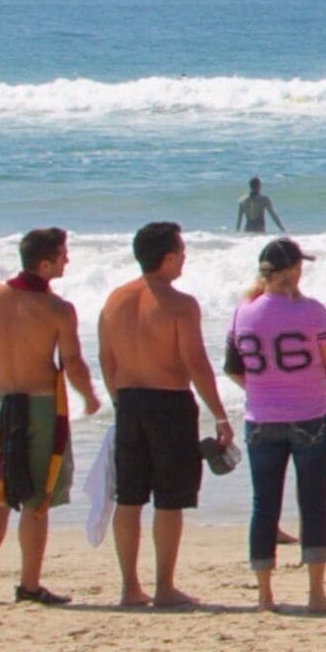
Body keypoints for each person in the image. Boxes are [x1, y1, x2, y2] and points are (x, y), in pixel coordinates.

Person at [95, 220, 235, 609]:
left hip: (129, 402)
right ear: (169, 257)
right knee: (170, 500)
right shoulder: (180, 304)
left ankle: (129, 588)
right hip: (169, 403)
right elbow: (195, 362)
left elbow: (106, 359)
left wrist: (118, 399)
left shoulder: (114, 300)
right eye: (182, 253)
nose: (185, 259)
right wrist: (220, 415)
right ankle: (164, 587)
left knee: (130, 497)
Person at [0, 228, 102, 606]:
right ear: (45, 264)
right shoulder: (57, 309)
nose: (68, 260)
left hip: (2, 402)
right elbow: (72, 362)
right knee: (36, 497)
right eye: (63, 255)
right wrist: (89, 397)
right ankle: (28, 584)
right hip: (42, 407)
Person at [229, 238, 326, 614]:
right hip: (309, 414)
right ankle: (315, 593)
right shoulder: (312, 311)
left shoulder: (243, 312)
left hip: (261, 418)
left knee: (264, 505)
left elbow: (233, 368)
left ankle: (264, 594)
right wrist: (307, 390)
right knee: (313, 503)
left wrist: (265, 391)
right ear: (295, 270)